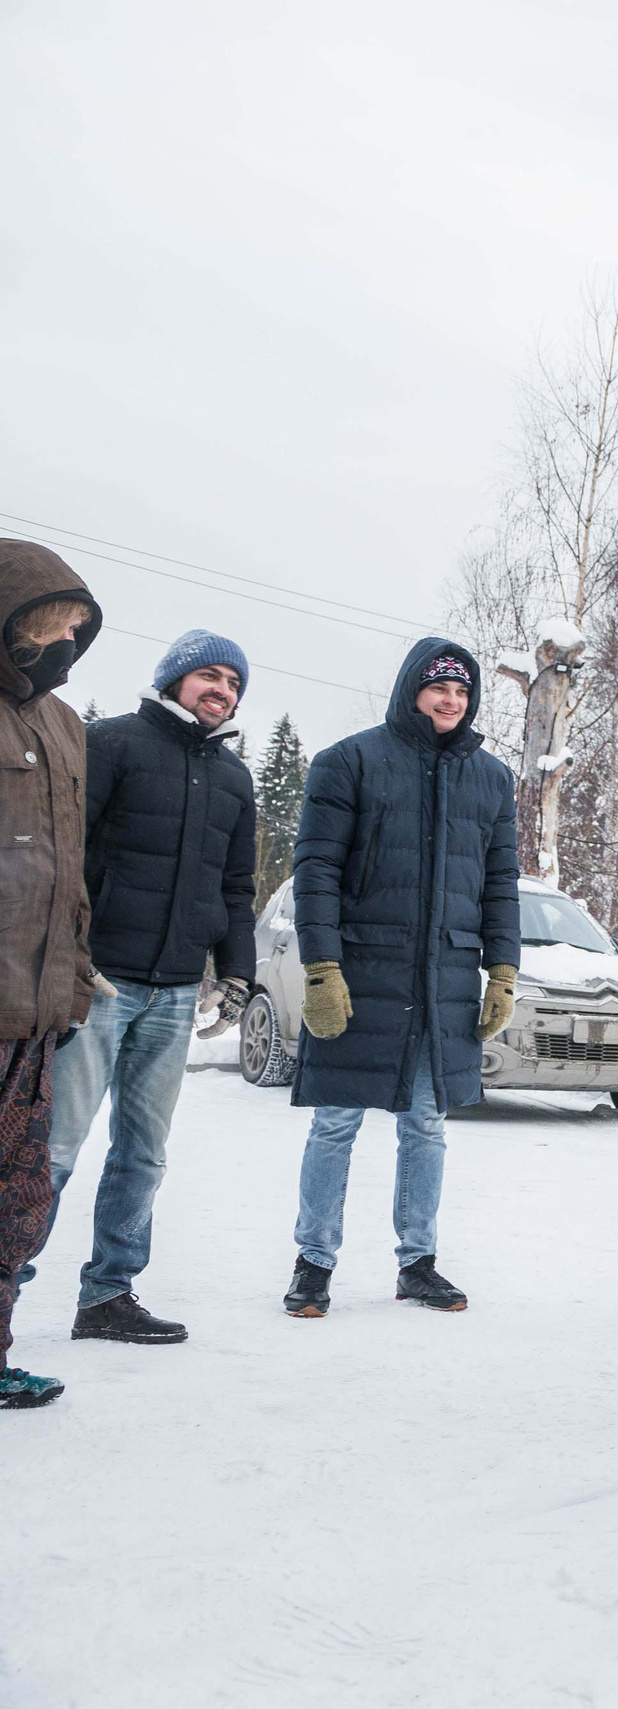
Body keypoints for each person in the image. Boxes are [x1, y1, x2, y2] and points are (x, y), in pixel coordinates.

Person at [16, 630, 256, 1347]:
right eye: (209, 675)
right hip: (100, 982)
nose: (222, 690)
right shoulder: (110, 744)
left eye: (234, 682)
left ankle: (109, 1295)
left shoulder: (235, 778)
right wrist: (69, 954)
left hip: (177, 989)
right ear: (174, 679)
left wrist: (236, 971)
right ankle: (5, 1289)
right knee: (55, 1148)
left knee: (143, 1152)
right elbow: (65, 851)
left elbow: (236, 888)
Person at [283, 638, 520, 1319]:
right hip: (362, 974)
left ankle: (418, 1263)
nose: (451, 700)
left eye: (463, 690)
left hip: (443, 976)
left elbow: (499, 884)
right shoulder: (349, 761)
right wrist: (321, 966)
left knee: (426, 1124)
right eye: (439, 687)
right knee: (335, 1123)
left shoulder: (492, 779)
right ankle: (313, 1263)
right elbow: (317, 870)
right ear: (411, 689)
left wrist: (502, 968)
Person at [0, 542, 102, 1410]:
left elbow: (70, 873)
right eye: (60, 623)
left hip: (37, 1011)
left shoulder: (66, 727)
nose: (72, 640)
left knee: (20, 1202)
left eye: (79, 628)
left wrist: (72, 983)